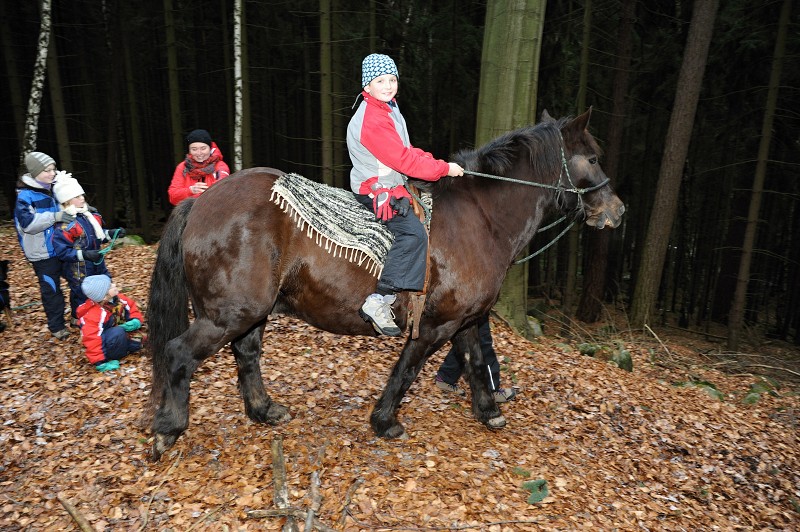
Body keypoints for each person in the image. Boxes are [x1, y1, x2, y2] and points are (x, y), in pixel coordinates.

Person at [347, 53, 464, 336]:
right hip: (375, 189)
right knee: (413, 233)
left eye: (392, 79)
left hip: (394, 181)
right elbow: (404, 161)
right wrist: (444, 169)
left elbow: (408, 151)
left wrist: (435, 162)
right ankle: (380, 299)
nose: (387, 85)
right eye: (380, 80)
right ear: (367, 85)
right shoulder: (372, 119)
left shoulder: (389, 109)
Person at [13, 152, 74, 340]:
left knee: (78, 280)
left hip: (62, 247)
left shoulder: (55, 189)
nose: (51, 173)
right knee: (51, 290)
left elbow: (68, 205)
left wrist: (82, 210)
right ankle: (57, 327)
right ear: (35, 172)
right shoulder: (25, 197)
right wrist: (55, 217)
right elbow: (28, 224)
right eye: (46, 170)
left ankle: (79, 317)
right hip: (42, 254)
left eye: (53, 169)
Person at [52, 174, 125, 324]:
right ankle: (81, 320)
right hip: (78, 267)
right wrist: (84, 255)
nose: (82, 198)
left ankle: (105, 316)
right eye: (76, 196)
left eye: (81, 194)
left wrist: (111, 234)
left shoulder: (91, 215)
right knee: (82, 292)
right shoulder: (65, 225)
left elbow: (98, 235)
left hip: (97, 260)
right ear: (66, 201)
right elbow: (62, 251)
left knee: (105, 284)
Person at [435, 314, 517, 403]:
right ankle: (491, 391)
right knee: (482, 341)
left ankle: (446, 377)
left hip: (470, 305)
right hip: (474, 305)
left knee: (467, 339)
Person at [77, 275, 143, 372]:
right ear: (104, 296)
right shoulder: (94, 314)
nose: (114, 285)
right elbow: (92, 338)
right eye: (110, 286)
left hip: (118, 334)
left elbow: (131, 307)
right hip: (107, 343)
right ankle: (115, 354)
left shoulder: (119, 299)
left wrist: (136, 320)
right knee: (119, 332)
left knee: (138, 343)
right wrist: (100, 363)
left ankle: (126, 345)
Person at [168, 129, 230, 205]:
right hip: (189, 213)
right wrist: (190, 191)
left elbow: (222, 190)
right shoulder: (182, 167)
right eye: (194, 149)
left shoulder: (220, 166)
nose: (199, 153)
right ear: (189, 150)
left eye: (203, 148)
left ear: (210, 148)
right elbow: (172, 197)